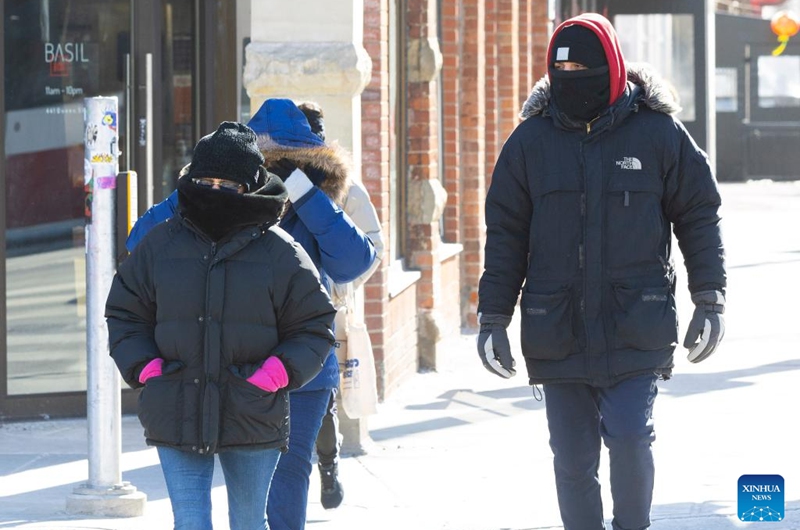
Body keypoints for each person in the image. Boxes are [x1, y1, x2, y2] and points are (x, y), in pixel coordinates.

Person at [476, 13, 726, 530]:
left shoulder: (659, 135)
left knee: (632, 437)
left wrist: (710, 298)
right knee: (572, 461)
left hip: (637, 322)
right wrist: (493, 318)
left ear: (611, 66)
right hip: (556, 328)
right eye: (560, 68)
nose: (572, 78)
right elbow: (505, 235)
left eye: (583, 68)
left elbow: (699, 215)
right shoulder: (529, 144)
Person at [125, 99, 376, 529]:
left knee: (285, 484)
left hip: (303, 369)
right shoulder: (220, 204)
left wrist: (303, 189)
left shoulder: (321, 199)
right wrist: (194, 190)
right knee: (226, 509)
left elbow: (354, 261)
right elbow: (140, 244)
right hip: (221, 371)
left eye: (292, 164)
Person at [298, 101, 385, 510]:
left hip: (326, 306)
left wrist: (339, 283)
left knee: (321, 393)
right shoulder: (275, 174)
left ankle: (328, 468)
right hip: (278, 303)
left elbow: (372, 245)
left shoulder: (340, 180)